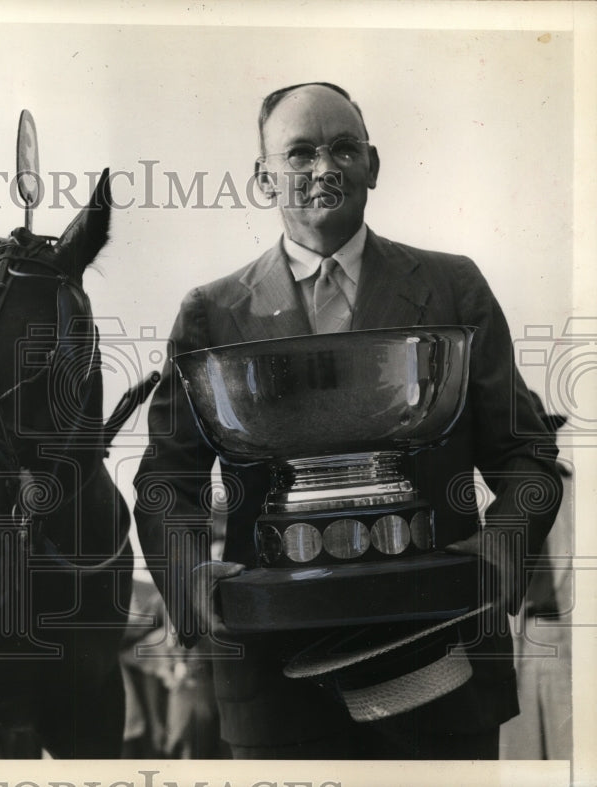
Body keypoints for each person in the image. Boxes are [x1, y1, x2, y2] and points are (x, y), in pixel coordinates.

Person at [133, 82, 563, 759]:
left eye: (343, 149)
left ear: (373, 165)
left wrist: (497, 556)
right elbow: (164, 479)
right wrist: (192, 581)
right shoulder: (210, 314)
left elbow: (528, 456)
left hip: (440, 662)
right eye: (300, 153)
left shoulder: (455, 290)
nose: (324, 169)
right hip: (276, 683)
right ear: (263, 176)